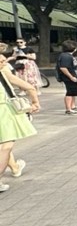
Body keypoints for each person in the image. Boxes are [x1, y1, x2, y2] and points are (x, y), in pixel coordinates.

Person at [0, 53, 40, 192]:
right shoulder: (3, 74)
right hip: (4, 112)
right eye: (1, 60)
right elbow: (29, 87)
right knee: (6, 146)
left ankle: (15, 167)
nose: (4, 62)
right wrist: (35, 102)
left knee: (5, 144)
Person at [56, 40, 77, 115]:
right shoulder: (65, 56)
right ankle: (68, 109)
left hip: (74, 75)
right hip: (69, 77)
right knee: (70, 92)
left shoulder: (68, 55)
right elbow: (63, 68)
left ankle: (72, 106)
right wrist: (71, 77)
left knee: (73, 92)